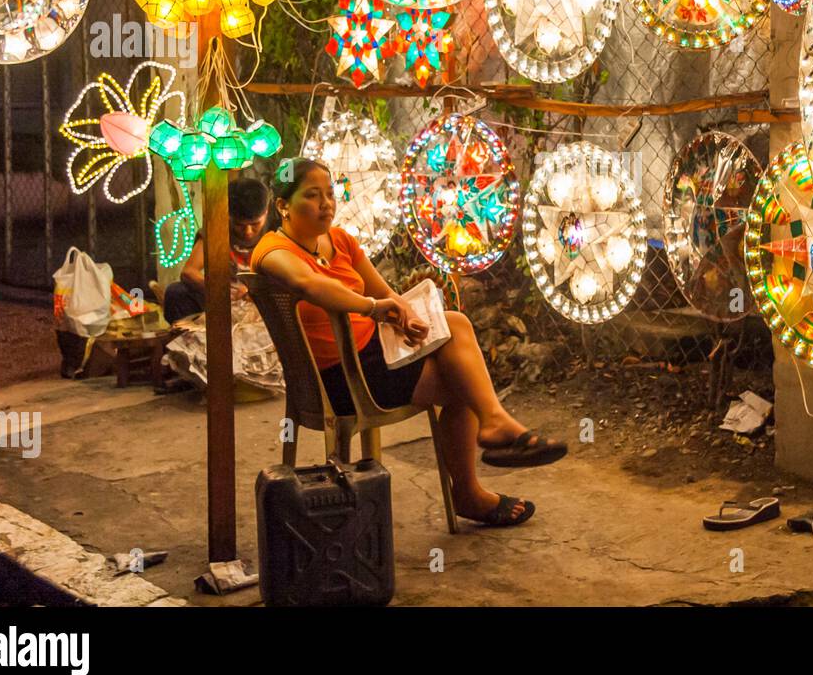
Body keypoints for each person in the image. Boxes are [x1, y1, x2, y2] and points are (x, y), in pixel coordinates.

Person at [251, 158, 566, 528]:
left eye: (331, 194)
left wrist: (405, 313)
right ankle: (476, 473)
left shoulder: (340, 240)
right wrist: (373, 309)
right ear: (283, 206)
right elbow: (311, 285)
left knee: (455, 325)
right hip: (342, 380)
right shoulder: (272, 251)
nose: (327, 204)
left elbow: (386, 293)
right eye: (312, 195)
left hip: (377, 356)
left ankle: (492, 430)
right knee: (461, 380)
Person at [161, 178, 271, 324]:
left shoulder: (275, 232)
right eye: (239, 225)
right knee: (176, 293)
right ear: (228, 215)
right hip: (222, 301)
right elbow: (189, 272)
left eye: (255, 224)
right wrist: (223, 289)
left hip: (263, 303)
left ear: (266, 212)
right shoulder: (217, 229)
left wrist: (255, 292)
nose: (248, 231)